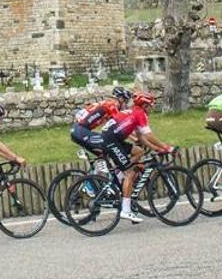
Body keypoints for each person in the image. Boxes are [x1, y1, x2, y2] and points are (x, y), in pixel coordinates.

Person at [100, 91, 174, 224]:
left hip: (111, 138)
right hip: (111, 140)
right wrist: (167, 148)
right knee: (130, 172)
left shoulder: (134, 111)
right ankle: (126, 210)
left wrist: (156, 148)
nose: (151, 108)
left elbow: (141, 137)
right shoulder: (140, 114)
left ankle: (120, 173)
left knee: (138, 151)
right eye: (150, 105)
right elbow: (150, 135)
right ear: (145, 105)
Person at [70, 87, 130, 158]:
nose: (126, 105)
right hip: (81, 131)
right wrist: (136, 138)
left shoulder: (107, 103)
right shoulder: (112, 105)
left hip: (78, 130)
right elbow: (121, 125)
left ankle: (100, 167)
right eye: (125, 101)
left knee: (103, 154)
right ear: (120, 98)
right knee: (109, 144)